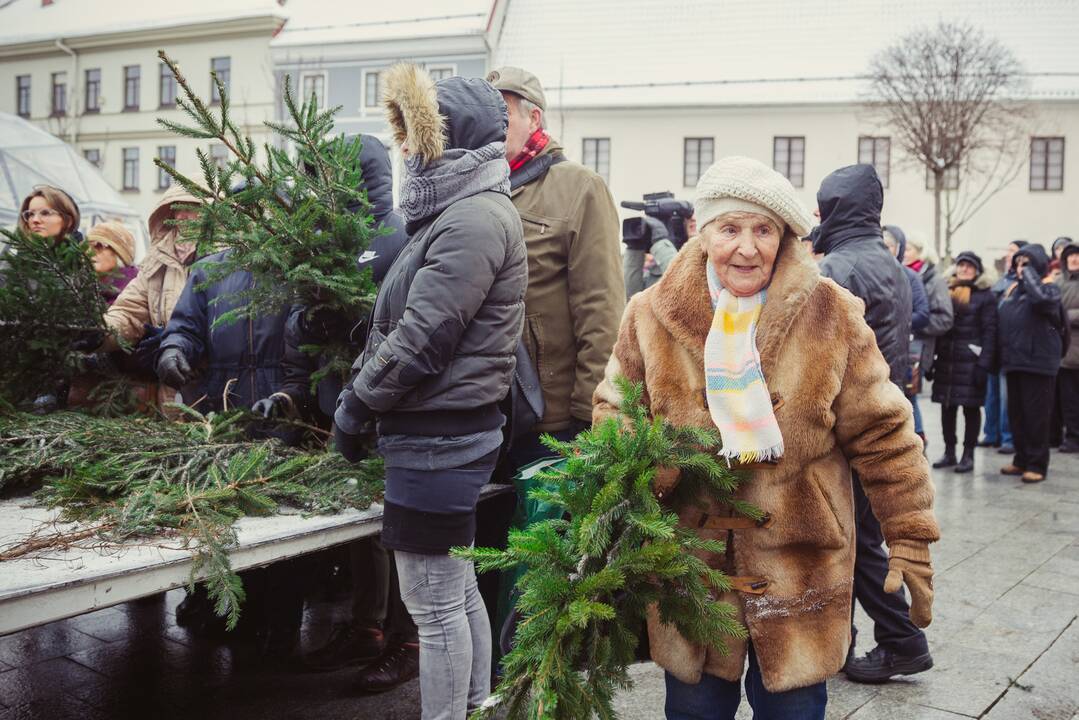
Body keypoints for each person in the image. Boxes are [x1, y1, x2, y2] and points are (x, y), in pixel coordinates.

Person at [593, 156, 938, 720]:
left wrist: (910, 534)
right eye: (730, 229)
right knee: (694, 710)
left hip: (801, 566)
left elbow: (885, 432)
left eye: (763, 230)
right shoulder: (649, 315)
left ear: (785, 237)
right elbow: (614, 409)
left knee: (795, 713)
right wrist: (649, 467)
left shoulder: (832, 314)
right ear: (702, 234)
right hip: (693, 569)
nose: (747, 248)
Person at [334, 66, 527, 719]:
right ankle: (474, 709)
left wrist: (360, 401)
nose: (407, 150)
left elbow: (424, 335)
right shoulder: (456, 211)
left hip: (440, 437)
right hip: (436, 432)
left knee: (433, 605)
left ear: (448, 137)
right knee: (454, 590)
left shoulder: (472, 219)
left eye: (416, 135)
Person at [261, 136, 417, 690]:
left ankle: (406, 639)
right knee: (361, 529)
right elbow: (300, 321)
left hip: (386, 410)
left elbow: (403, 324)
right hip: (338, 407)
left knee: (397, 528)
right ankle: (366, 627)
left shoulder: (395, 236)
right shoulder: (325, 239)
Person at [811, 165, 930, 684]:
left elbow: (815, 355)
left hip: (847, 424)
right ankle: (860, 638)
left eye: (823, 206)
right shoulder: (887, 261)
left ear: (836, 207)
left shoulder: (837, 267)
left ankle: (903, 641)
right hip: (879, 415)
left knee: (855, 539)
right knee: (859, 534)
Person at [485, 65, 624, 468]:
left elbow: (601, 308)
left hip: (553, 423)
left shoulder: (579, 187)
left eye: (504, 114)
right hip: (490, 416)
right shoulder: (480, 188)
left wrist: (588, 417)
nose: (494, 126)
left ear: (534, 118)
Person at [998, 244, 1065, 483]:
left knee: (1037, 417)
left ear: (1037, 265)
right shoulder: (1013, 291)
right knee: (1017, 415)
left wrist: (1028, 275)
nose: (1020, 267)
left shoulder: (1049, 289)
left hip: (1038, 363)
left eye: (1026, 263)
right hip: (1015, 361)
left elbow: (1041, 302)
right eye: (1018, 263)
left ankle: (1037, 464)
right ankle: (1022, 459)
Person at [929, 252, 998, 474]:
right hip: (947, 361)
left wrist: (983, 365)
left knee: (971, 409)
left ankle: (968, 455)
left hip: (971, 362)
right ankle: (949, 452)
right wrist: (931, 361)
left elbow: (990, 333)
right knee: (947, 408)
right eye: (961, 265)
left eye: (970, 266)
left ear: (977, 270)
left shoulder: (985, 296)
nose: (965, 269)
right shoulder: (946, 290)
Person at [901, 230, 954, 452]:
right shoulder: (904, 273)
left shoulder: (934, 279)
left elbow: (945, 318)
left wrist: (913, 324)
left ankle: (918, 442)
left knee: (909, 395)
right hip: (906, 346)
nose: (904, 253)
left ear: (921, 253)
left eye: (909, 249)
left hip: (920, 348)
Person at [981, 240, 1027, 452]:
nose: (1009, 255)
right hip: (995, 343)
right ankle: (991, 434)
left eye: (1013, 252)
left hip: (1011, 345)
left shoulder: (1021, 282)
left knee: (1006, 395)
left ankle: (1008, 438)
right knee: (991, 394)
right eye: (1007, 251)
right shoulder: (1001, 281)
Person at [1057, 242, 1079, 453]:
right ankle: (1071, 437)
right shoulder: (1058, 283)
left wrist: (1065, 317)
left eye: (1077, 256)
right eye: (1070, 256)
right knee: (1069, 401)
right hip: (1065, 353)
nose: (1074, 259)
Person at [87, 221, 138, 306]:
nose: (90, 251)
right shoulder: (81, 287)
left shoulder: (133, 294)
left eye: (99, 245)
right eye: (88, 245)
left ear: (120, 254)